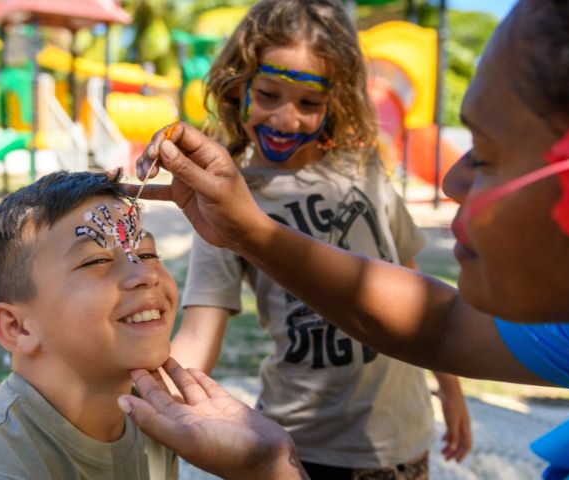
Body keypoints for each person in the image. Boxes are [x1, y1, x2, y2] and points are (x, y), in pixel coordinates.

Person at [119, 0, 569, 478]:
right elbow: (440, 327)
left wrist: (268, 469)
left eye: (485, 157)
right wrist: (251, 232)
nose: (451, 178)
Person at [166, 1, 471, 478]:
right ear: (237, 87)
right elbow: (201, 330)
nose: (287, 120)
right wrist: (160, 400)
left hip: (404, 437)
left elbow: (415, 291)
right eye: (268, 94)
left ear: (337, 103)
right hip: (306, 449)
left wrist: (449, 389)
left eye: (310, 103)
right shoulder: (224, 202)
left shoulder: (364, 171)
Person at [0, 171, 179, 480]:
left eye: (147, 253)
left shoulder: (158, 420)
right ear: (17, 328)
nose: (145, 274)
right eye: (96, 260)